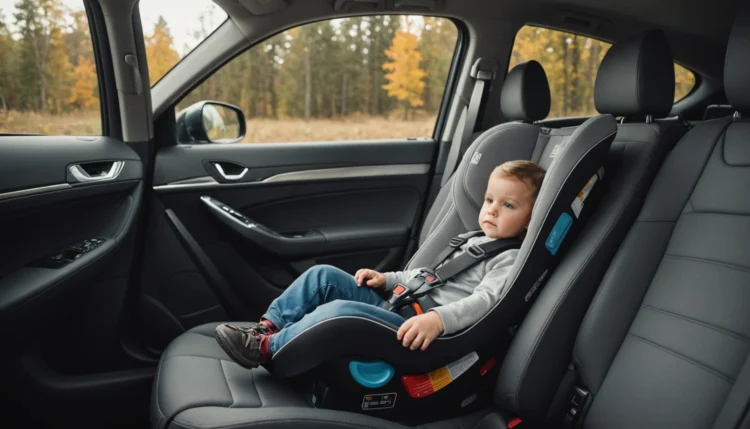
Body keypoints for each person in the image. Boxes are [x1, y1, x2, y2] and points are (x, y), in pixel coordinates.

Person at [215, 160, 546, 369]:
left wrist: (438, 320)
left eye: (508, 205)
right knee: (322, 277)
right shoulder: (473, 239)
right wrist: (386, 279)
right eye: (489, 200)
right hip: (400, 304)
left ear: (531, 220)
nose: (491, 210)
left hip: (417, 330)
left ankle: (267, 349)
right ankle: (268, 327)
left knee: (340, 310)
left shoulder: (509, 257)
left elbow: (487, 302)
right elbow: (425, 276)